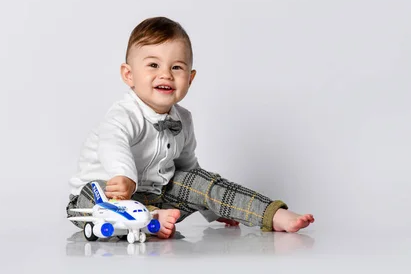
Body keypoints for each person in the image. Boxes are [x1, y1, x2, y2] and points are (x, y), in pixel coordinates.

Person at [67, 17, 314, 239]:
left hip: (159, 197)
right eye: (153, 65)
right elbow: (112, 143)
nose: (165, 74)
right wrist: (125, 176)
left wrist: (213, 208)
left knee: (203, 180)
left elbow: (188, 170)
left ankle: (270, 215)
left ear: (190, 78)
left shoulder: (183, 119)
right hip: (109, 197)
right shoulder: (123, 114)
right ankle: (148, 219)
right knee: (94, 194)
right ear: (129, 75)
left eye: (176, 67)